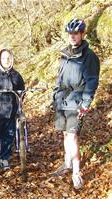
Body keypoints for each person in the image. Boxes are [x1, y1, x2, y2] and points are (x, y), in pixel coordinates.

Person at [52, 19, 100, 189]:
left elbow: (92, 81)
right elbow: (60, 77)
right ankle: (67, 164)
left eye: (76, 33)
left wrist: (86, 103)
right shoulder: (65, 53)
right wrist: (55, 95)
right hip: (62, 100)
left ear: (82, 34)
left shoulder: (89, 57)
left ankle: (76, 172)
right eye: (70, 34)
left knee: (73, 136)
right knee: (65, 134)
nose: (72, 36)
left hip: (76, 100)